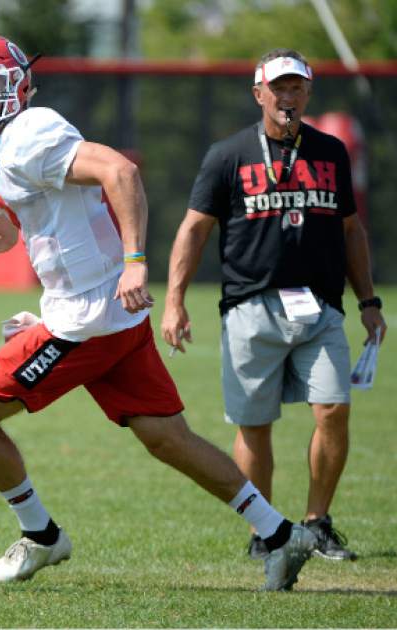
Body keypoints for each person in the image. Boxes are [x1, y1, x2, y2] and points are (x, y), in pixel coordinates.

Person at [0, 34, 317, 590]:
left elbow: (120, 172)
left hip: (88, 319)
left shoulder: (32, 132)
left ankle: (42, 537)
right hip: (107, 318)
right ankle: (281, 534)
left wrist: (135, 262)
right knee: (168, 438)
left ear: (20, 86)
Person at [160, 48, 386, 562]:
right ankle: (266, 531)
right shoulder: (228, 153)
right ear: (258, 93)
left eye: (296, 87)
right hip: (249, 305)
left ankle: (317, 522)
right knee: (254, 425)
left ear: (308, 93)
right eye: (278, 88)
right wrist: (174, 301)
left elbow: (351, 231)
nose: (287, 96)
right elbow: (194, 229)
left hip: (321, 307)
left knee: (334, 410)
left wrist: (368, 300)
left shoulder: (331, 151)